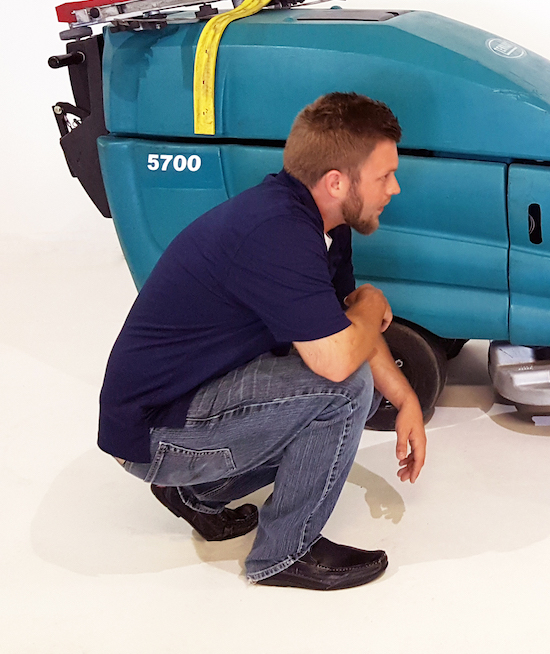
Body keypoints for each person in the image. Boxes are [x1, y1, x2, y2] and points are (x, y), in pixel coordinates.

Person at [98, 92, 426, 589]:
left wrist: (405, 399)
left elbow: (343, 327)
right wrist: (372, 305)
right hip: (153, 434)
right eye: (384, 176)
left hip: (182, 403)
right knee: (343, 390)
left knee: (338, 379)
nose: (395, 188)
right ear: (337, 181)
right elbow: (339, 362)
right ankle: (284, 554)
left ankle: (197, 493)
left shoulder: (323, 224)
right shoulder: (278, 233)